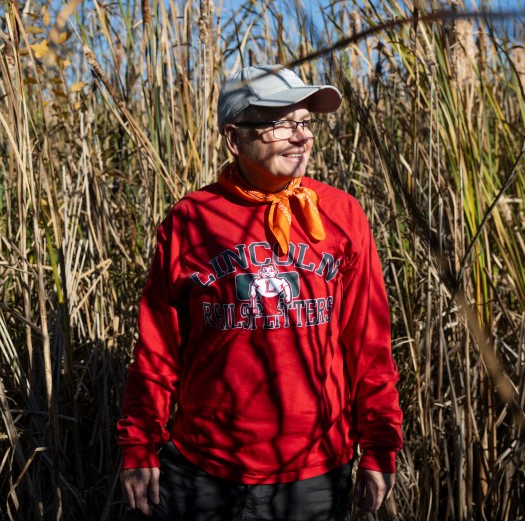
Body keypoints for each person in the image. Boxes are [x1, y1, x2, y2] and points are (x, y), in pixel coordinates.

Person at [118, 64, 403, 520]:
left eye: (305, 122)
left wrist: (380, 446)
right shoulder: (190, 220)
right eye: (279, 123)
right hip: (203, 471)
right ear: (235, 139)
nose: (300, 136)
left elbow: (368, 345)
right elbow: (157, 349)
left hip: (313, 473)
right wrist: (138, 444)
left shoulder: (341, 215)